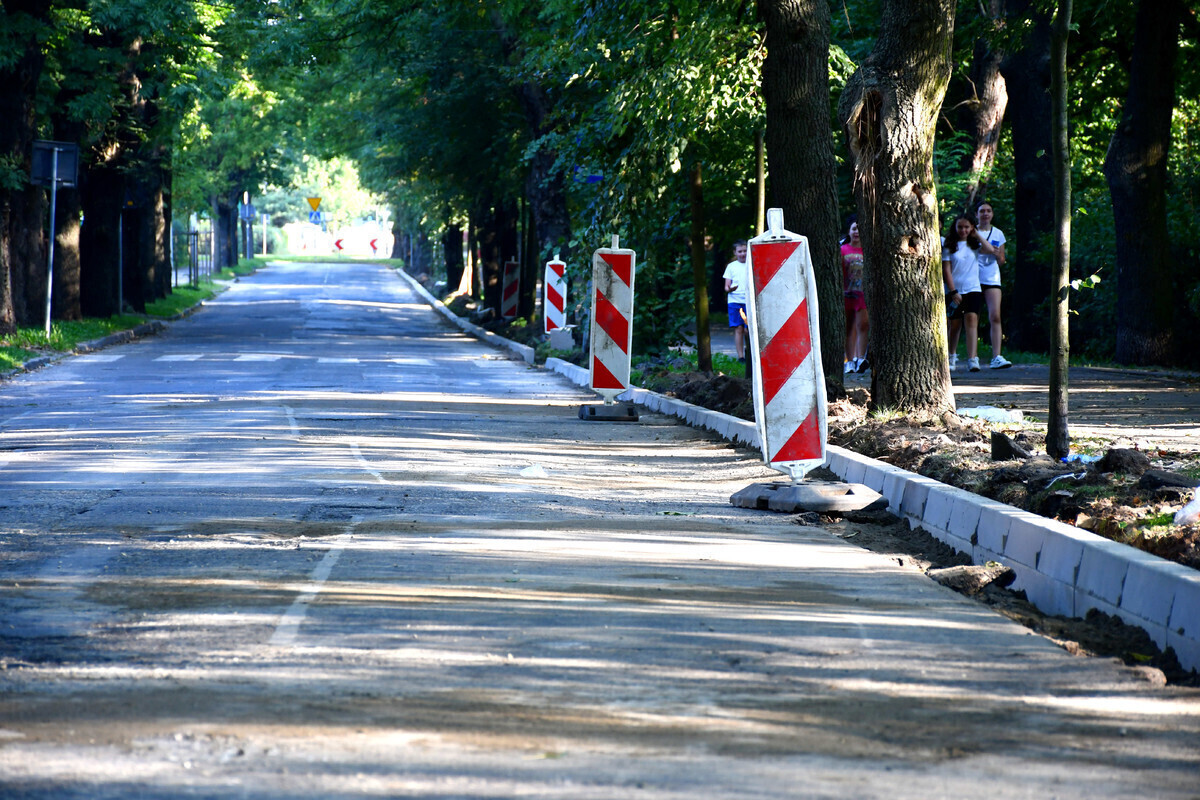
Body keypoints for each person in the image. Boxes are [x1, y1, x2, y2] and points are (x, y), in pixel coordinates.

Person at [942, 215, 1001, 372]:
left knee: (972, 320)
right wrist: (953, 290)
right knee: (954, 325)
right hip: (954, 290)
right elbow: (946, 269)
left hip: (973, 288)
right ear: (955, 228)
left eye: (967, 227)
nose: (963, 230)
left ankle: (973, 358)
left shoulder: (975, 244)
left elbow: (990, 250)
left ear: (972, 228)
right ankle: (951, 356)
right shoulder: (949, 245)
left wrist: (977, 234)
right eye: (960, 227)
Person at [974, 202, 1012, 369]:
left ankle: (997, 356)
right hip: (973, 278)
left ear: (992, 214)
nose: (985, 214)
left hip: (992, 278)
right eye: (982, 211)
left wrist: (996, 254)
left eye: (988, 211)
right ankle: (972, 357)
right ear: (977, 214)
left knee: (995, 316)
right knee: (971, 317)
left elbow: (1002, 260)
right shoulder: (971, 232)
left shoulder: (998, 233)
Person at [841, 219, 868, 373]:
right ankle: (849, 361)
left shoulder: (867, 251)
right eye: (853, 229)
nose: (856, 232)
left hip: (862, 295)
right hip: (846, 294)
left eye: (859, 229)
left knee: (863, 325)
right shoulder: (843, 249)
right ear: (849, 231)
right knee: (848, 327)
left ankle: (860, 358)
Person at [722, 240, 749, 362]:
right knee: (739, 329)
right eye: (740, 251)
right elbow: (726, 287)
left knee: (748, 330)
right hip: (735, 301)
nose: (743, 253)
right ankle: (741, 356)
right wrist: (730, 288)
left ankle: (750, 353)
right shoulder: (731, 266)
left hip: (749, 300)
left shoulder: (751, 264)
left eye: (744, 251)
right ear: (735, 253)